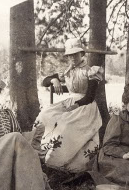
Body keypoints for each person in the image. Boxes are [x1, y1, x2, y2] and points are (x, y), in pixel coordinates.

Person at [36, 38, 103, 173]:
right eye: (70, 55)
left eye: (75, 54)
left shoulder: (91, 71)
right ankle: (40, 153)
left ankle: (59, 160)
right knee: (45, 115)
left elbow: (89, 97)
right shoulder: (67, 71)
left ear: (82, 54)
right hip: (70, 101)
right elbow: (44, 82)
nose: (72, 57)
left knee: (65, 123)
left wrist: (72, 108)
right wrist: (54, 79)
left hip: (85, 106)